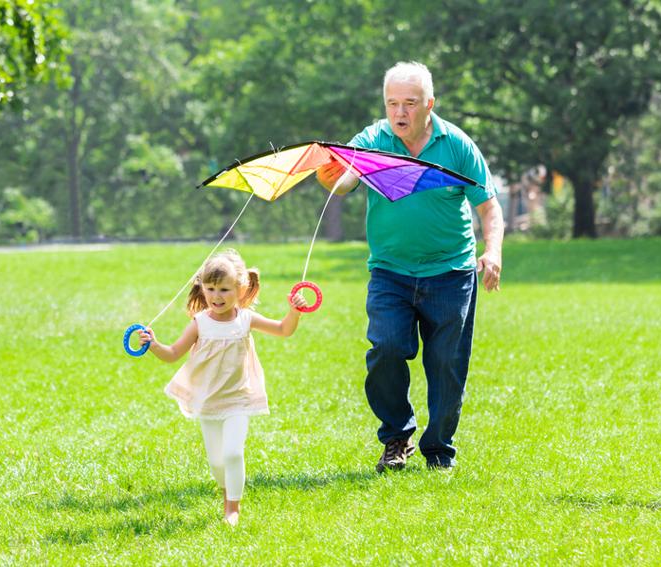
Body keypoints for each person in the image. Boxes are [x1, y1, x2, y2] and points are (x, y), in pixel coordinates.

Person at [316, 61, 504, 472]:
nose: (400, 113)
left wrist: (493, 252)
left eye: (410, 103)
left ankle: (438, 449)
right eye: (392, 103)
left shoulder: (456, 145)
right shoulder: (371, 139)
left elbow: (489, 208)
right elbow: (346, 180)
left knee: (446, 367)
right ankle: (396, 438)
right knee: (384, 348)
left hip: (450, 273)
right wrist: (331, 176)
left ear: (429, 104)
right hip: (390, 272)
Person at [138, 249, 309, 525]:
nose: (217, 296)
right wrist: (153, 345)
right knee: (217, 462)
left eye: (225, 290)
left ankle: (233, 509)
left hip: (239, 399)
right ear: (202, 288)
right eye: (211, 289)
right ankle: (226, 490)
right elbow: (171, 354)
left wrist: (294, 312)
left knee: (232, 452)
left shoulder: (246, 319)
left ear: (241, 289)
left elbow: (283, 330)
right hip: (208, 401)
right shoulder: (199, 323)